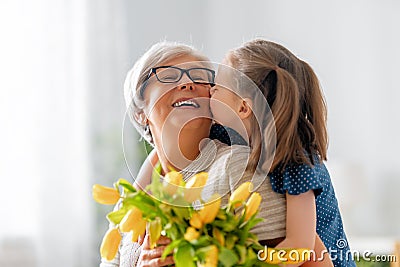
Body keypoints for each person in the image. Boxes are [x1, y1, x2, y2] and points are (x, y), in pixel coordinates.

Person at [101, 41, 288, 267]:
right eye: (169, 75)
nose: (188, 83)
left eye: (200, 77)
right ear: (141, 113)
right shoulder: (128, 206)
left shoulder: (239, 165)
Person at [214, 39, 354, 267]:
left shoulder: (296, 159)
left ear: (242, 108)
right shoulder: (231, 136)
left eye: (217, 87)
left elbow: (299, 245)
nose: (210, 90)